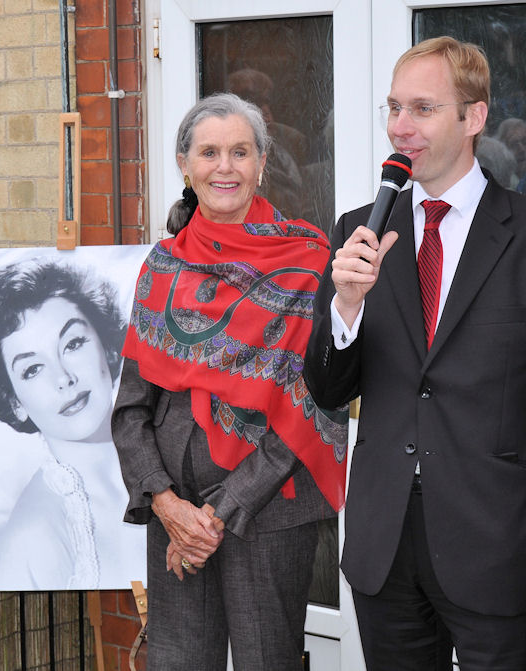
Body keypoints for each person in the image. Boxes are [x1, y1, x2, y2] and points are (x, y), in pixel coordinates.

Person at [303, 37, 526, 670]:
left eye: (422, 109)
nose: (400, 128)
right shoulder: (362, 229)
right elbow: (328, 392)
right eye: (393, 108)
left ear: (473, 117)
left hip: (498, 544)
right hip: (385, 545)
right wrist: (346, 305)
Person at [111, 92, 347, 670]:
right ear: (184, 164)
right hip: (176, 513)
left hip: (271, 512)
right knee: (180, 661)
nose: (225, 166)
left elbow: (315, 404)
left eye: (240, 152)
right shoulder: (162, 265)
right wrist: (166, 504)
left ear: (262, 164)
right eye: (210, 152)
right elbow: (130, 410)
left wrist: (217, 513)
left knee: (269, 660)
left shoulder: (308, 260)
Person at [0, 259, 145, 589]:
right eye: (32, 369)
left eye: (73, 343)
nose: (64, 378)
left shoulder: (169, 458)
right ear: (14, 402)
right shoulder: (28, 542)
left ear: (106, 346)